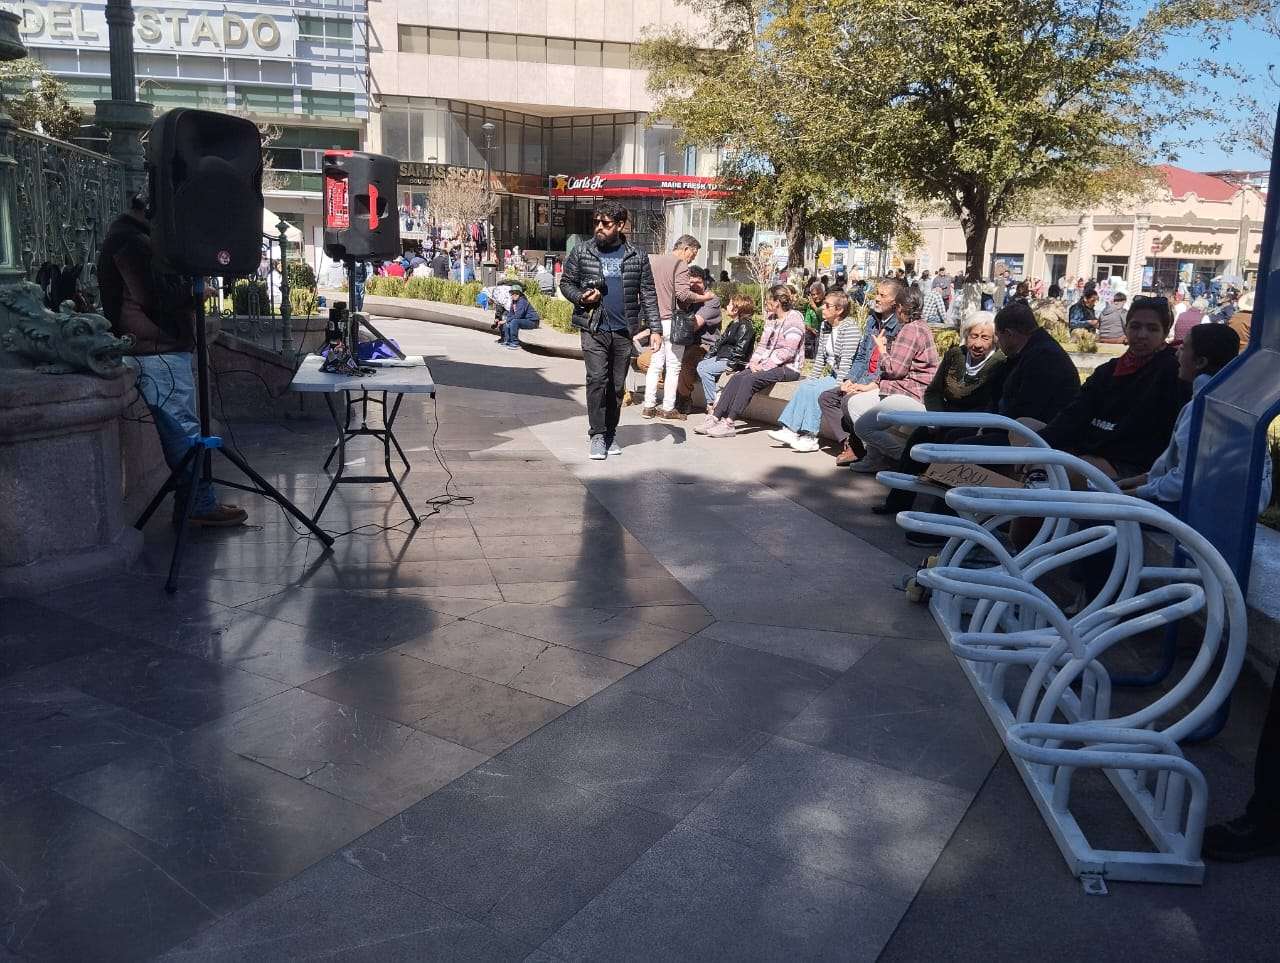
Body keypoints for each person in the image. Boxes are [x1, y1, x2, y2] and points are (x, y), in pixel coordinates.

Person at [97, 195, 246, 527]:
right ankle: (199, 505)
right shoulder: (131, 242)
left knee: (184, 428)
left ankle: (195, 502)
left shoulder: (133, 238)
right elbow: (153, 297)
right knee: (183, 432)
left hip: (158, 349)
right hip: (156, 350)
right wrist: (195, 293)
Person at [1118, 323, 1269, 510]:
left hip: (1196, 513)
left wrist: (1130, 495)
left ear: (1200, 362)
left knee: (1094, 504)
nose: (1177, 353)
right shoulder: (1235, 403)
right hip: (1227, 510)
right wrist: (1141, 480)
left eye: (1183, 348)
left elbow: (1185, 481)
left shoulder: (1204, 410)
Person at [1037, 296, 1187, 481]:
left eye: (1152, 329)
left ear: (1165, 334)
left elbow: (1156, 435)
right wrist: (1037, 444)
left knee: (1070, 468)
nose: (1142, 335)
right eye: (1135, 326)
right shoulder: (1108, 370)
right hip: (1090, 446)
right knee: (1026, 427)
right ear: (1126, 328)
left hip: (1133, 464)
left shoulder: (1173, 370)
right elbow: (1075, 413)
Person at [875, 311, 1007, 515]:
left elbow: (993, 402)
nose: (978, 344)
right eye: (974, 336)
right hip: (945, 416)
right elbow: (933, 392)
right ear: (966, 335)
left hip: (975, 422)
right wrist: (936, 418)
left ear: (994, 340)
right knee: (918, 438)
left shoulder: (1000, 362)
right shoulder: (955, 355)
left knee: (953, 443)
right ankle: (898, 502)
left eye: (985, 337)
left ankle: (940, 515)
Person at [559, 202, 660, 460]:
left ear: (620, 225)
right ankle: (597, 434)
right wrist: (581, 297)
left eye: (606, 224)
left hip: (624, 331)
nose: (599, 228)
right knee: (597, 380)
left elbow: (648, 292)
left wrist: (655, 329)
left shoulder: (637, 255)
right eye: (596, 222)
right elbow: (566, 283)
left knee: (616, 386)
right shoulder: (582, 251)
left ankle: (610, 433)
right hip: (593, 327)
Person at [954, 300, 1079, 448]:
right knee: (952, 433)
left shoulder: (1044, 357)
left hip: (1036, 437)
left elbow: (1026, 409)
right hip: (1017, 429)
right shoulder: (1032, 350)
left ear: (1009, 334)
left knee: (960, 445)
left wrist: (987, 429)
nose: (998, 343)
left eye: (999, 337)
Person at [849, 287, 941, 473]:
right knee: (855, 404)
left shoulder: (911, 330)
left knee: (863, 427)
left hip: (912, 394)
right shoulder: (919, 326)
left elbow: (895, 370)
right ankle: (875, 459)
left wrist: (882, 350)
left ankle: (905, 458)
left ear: (899, 307)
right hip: (902, 389)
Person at [818, 278, 907, 466]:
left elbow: (891, 367)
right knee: (827, 398)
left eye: (882, 295)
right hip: (864, 377)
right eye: (877, 294)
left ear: (895, 302)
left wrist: (864, 385)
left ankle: (864, 451)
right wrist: (850, 379)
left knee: (848, 400)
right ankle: (852, 444)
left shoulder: (900, 326)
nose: (877, 298)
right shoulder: (872, 321)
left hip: (879, 382)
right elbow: (860, 357)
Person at [701, 285, 806, 438]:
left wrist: (764, 366)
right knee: (737, 377)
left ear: (777, 302)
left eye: (768, 300)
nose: (766, 303)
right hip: (767, 364)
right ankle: (715, 417)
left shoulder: (794, 319)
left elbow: (788, 352)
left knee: (749, 380)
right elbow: (762, 345)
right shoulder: (771, 318)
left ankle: (729, 423)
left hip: (789, 368)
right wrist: (754, 362)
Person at [767, 290, 861, 452]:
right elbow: (820, 358)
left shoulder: (850, 329)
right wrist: (812, 378)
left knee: (817, 391)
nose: (822, 308)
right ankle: (790, 430)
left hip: (846, 378)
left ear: (839, 310)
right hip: (832, 374)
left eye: (827, 305)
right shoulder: (825, 326)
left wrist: (838, 387)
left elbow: (847, 362)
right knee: (805, 386)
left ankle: (810, 437)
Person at [644, 234, 706, 421]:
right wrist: (704, 297)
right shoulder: (680, 265)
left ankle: (648, 406)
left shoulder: (653, 261)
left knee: (655, 364)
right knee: (673, 366)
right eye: (693, 254)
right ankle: (668, 408)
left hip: (655, 321)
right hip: (673, 322)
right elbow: (683, 294)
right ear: (686, 248)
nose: (692, 259)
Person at [693, 293, 755, 417]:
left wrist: (731, 365)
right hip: (724, 356)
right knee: (701, 365)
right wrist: (709, 356)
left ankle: (712, 403)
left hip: (733, 361)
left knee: (705, 370)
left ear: (736, 309)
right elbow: (720, 342)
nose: (726, 306)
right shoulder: (733, 324)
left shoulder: (745, 326)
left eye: (730, 304)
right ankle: (716, 396)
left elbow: (741, 349)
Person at [675, 266, 722, 412]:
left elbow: (693, 326)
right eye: (691, 283)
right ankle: (674, 388)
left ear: (705, 282)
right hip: (681, 342)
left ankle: (684, 398)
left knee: (686, 362)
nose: (695, 286)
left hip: (704, 345)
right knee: (645, 360)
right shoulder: (683, 298)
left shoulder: (712, 300)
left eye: (698, 282)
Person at [498, 284, 540, 349]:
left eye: (516, 293)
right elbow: (511, 314)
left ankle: (515, 343)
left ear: (520, 294)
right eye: (512, 293)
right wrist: (506, 320)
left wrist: (506, 320)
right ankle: (508, 340)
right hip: (524, 320)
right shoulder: (514, 302)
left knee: (514, 321)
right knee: (508, 321)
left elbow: (518, 315)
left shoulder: (522, 301)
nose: (513, 295)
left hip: (532, 321)